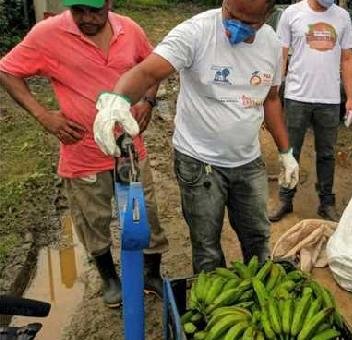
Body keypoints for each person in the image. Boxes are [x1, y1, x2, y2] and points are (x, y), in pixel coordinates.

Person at [92, 0, 299, 274]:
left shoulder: (272, 44)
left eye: (247, 23)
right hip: (199, 164)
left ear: (267, 17)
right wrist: (116, 100)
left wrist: (286, 153)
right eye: (230, 16)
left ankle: (255, 296)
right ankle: (213, 306)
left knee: (257, 237)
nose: (233, 28)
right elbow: (147, 71)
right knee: (207, 246)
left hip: (248, 162)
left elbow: (271, 99)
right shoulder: (196, 32)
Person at [0, 0, 169, 307]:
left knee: (145, 214)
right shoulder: (47, 34)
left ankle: (151, 273)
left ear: (109, 3)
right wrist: (43, 116)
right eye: (79, 10)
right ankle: (109, 278)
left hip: (129, 147)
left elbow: (154, 66)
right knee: (93, 219)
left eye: (95, 11)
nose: (87, 19)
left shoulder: (129, 30)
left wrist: (147, 101)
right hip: (82, 151)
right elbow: (7, 70)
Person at [269, 0, 352, 222]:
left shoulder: (342, 17)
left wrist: (351, 98)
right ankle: (285, 199)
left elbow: (347, 58)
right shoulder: (292, 13)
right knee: (290, 151)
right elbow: (281, 54)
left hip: (329, 99)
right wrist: (274, 90)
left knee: (327, 154)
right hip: (297, 96)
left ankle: (326, 203)